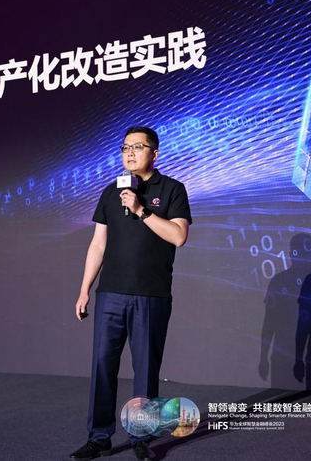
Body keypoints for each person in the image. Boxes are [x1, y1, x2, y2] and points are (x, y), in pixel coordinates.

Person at [69, 127, 192, 461]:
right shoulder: (112, 191)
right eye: (125, 147)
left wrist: (141, 210)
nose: (130, 153)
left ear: (155, 153)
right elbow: (98, 244)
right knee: (102, 366)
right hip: (110, 293)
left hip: (151, 294)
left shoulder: (172, 189)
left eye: (138, 147)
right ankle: (99, 437)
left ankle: (142, 437)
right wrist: (85, 289)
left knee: (146, 369)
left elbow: (178, 236)